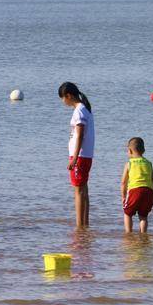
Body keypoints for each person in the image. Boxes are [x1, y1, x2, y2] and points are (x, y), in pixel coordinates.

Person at [59, 82, 95, 227]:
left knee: (78, 191)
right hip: (85, 155)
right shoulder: (85, 109)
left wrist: (74, 158)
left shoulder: (79, 111)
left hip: (79, 156)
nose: (63, 102)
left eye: (63, 98)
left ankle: (80, 227)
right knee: (83, 189)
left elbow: (79, 135)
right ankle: (85, 224)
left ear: (68, 96)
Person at [120, 137, 153, 233]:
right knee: (143, 216)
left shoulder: (129, 163)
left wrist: (123, 196)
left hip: (135, 191)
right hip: (149, 191)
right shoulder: (149, 163)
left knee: (127, 213)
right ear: (143, 150)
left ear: (129, 151)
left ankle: (128, 233)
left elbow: (123, 182)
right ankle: (143, 235)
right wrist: (150, 191)